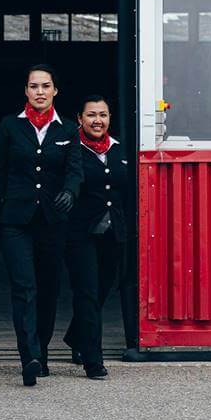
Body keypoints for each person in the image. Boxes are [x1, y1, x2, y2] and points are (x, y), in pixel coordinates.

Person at [0, 64, 83, 385]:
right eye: (33, 86)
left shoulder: (68, 129)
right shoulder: (10, 127)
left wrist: (70, 190)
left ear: (55, 91)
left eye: (45, 86)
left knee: (49, 290)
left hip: (53, 221)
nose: (39, 91)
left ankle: (42, 348)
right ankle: (29, 355)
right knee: (24, 287)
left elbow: (75, 170)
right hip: (16, 220)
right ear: (25, 91)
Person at [63, 95, 136, 379]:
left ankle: (75, 336)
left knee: (103, 289)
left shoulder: (119, 150)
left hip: (113, 233)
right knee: (87, 291)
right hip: (80, 233)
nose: (98, 120)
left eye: (103, 115)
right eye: (91, 115)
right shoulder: (72, 150)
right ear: (79, 119)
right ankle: (93, 359)